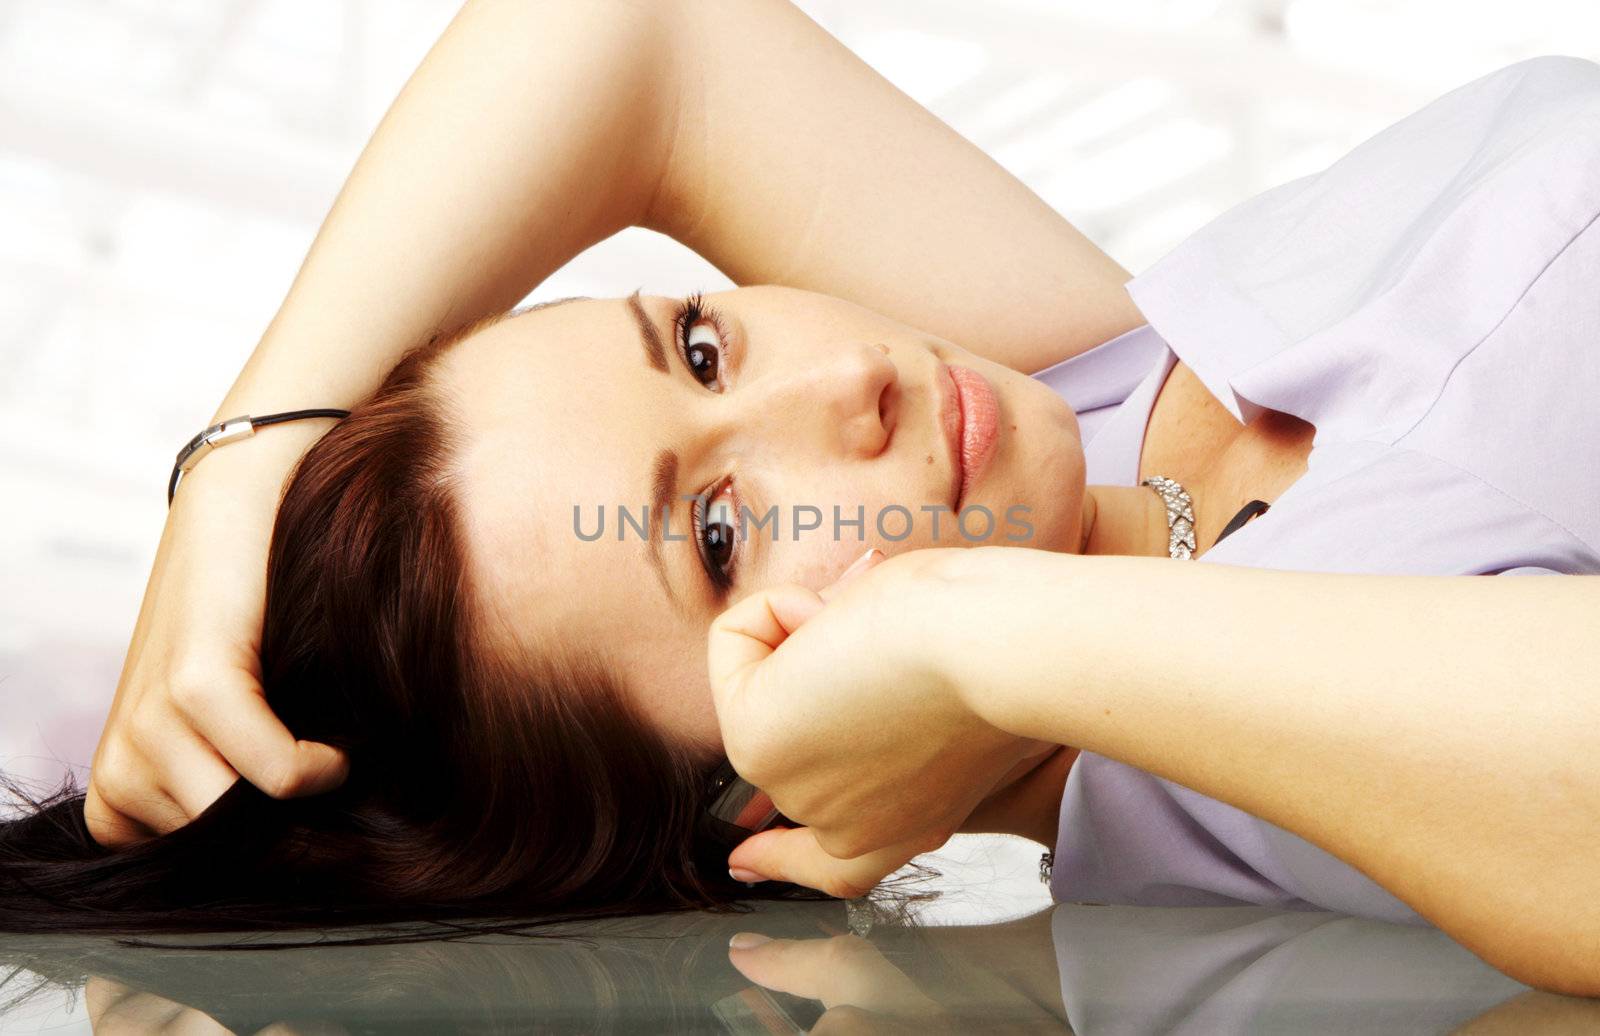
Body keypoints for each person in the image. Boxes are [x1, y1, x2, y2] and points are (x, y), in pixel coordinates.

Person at [5, 0, 1595, 996]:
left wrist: (241, 462)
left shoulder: (1084, 390)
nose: (842, 388)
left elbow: (633, 31)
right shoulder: (1243, 777)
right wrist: (967, 633)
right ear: (770, 783)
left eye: (697, 342)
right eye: (717, 530)